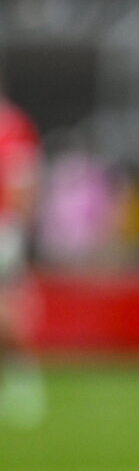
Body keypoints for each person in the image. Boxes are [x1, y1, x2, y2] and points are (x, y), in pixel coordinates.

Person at [0, 88, 44, 429]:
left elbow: (23, 181)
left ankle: (24, 382)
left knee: (7, 315)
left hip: (3, 227)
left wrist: (19, 230)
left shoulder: (12, 124)